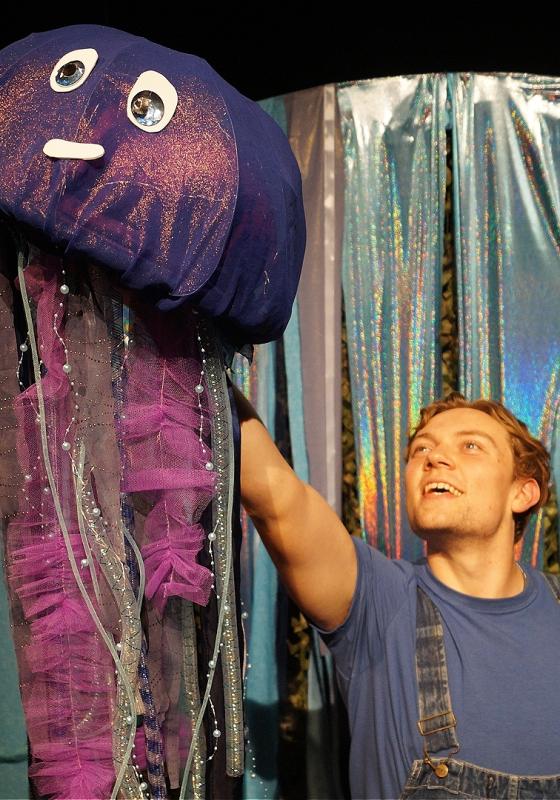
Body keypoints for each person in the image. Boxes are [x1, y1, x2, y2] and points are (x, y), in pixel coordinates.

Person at [233, 387, 560, 799]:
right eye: (422, 449)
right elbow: (274, 494)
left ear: (523, 492)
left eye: (471, 446)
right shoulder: (377, 600)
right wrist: (196, 356)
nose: (434, 458)